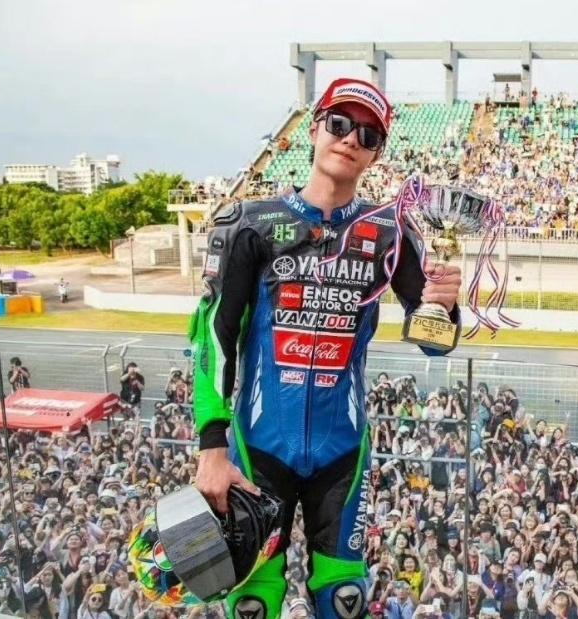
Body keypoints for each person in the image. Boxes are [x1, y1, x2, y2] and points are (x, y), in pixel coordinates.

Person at [191, 77, 462, 619]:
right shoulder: (249, 224)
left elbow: (437, 345)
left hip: (342, 451)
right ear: (314, 130)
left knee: (345, 600)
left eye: (368, 135)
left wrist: (445, 306)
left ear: (375, 153)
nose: (351, 139)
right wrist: (212, 449)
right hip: (257, 448)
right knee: (251, 601)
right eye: (340, 124)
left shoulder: (390, 233)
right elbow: (213, 337)